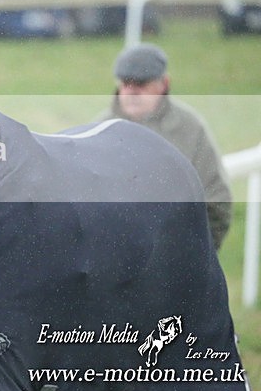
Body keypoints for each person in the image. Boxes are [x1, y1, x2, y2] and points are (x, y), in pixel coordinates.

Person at [98, 43, 232, 249]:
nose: (132, 91)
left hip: (176, 253)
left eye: (141, 83)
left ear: (164, 83)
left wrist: (194, 254)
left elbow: (216, 200)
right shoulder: (99, 131)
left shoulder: (190, 129)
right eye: (126, 82)